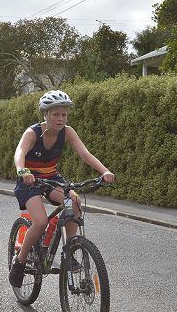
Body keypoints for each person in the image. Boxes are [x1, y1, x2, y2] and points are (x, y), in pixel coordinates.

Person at [9, 90, 115, 288]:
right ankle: (20, 261)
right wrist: (23, 170)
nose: (60, 118)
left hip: (51, 178)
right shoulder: (33, 132)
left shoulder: (68, 132)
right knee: (40, 222)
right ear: (46, 114)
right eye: (56, 114)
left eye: (64, 114)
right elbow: (19, 152)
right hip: (29, 181)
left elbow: (85, 154)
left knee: (74, 201)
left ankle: (71, 250)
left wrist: (105, 171)